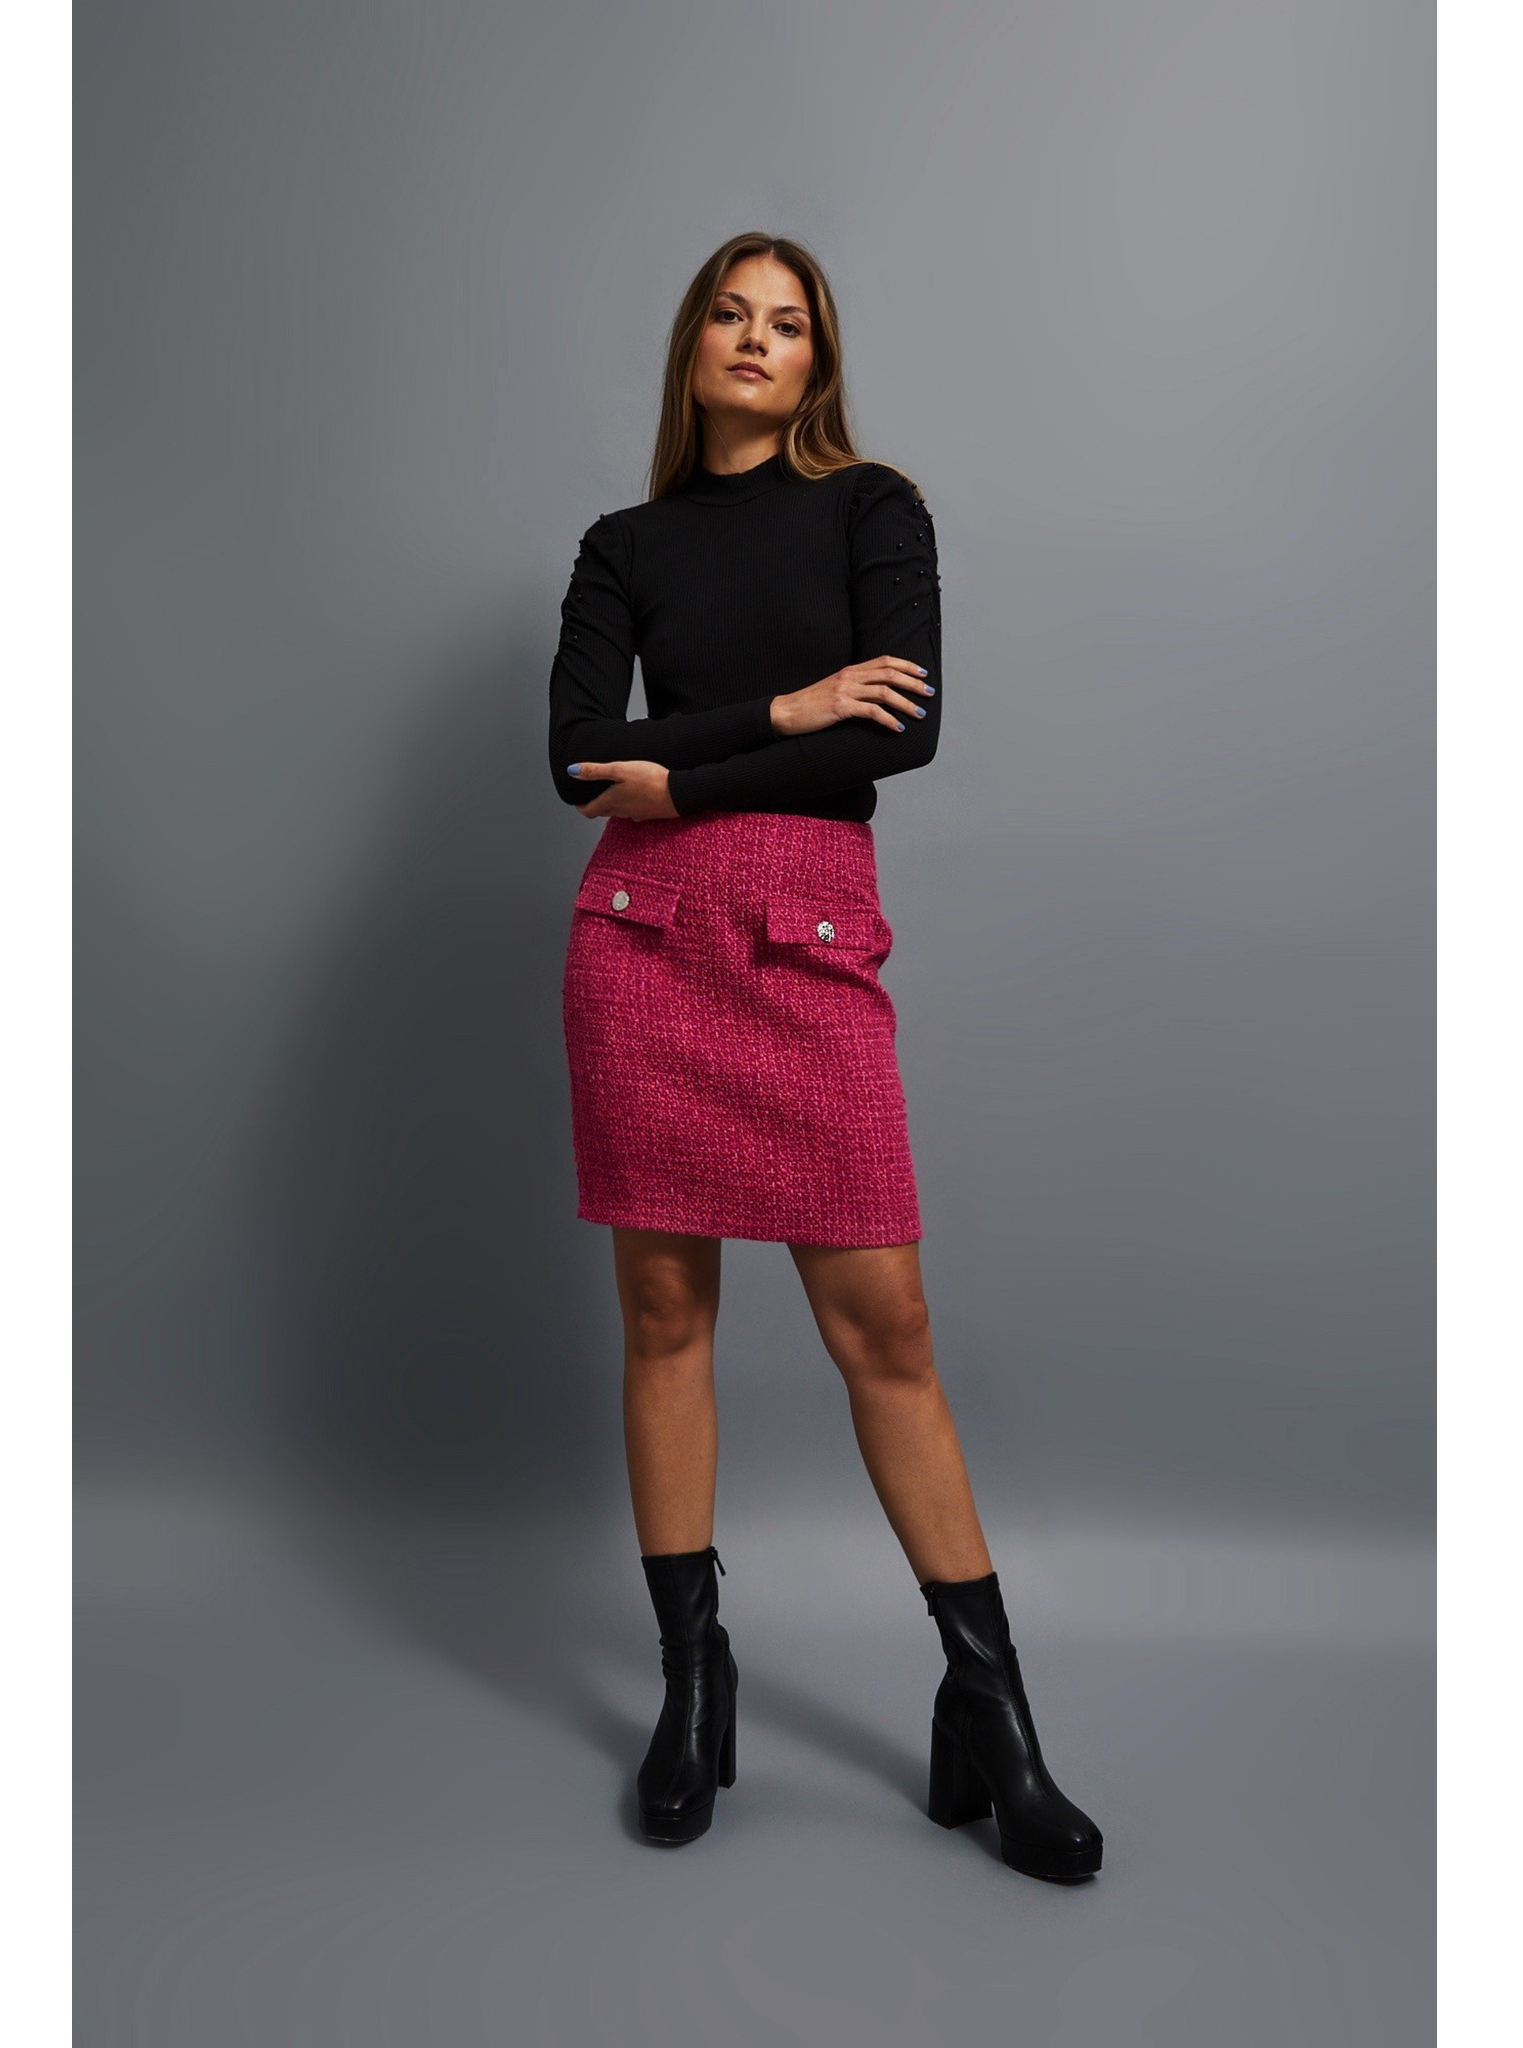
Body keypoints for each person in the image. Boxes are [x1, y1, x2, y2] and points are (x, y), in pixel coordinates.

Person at [546, 232, 1103, 1882]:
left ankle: (990, 1711)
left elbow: (903, 729)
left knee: (889, 1330)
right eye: (730, 313)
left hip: (805, 936)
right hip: (644, 939)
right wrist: (782, 717)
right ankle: (691, 1683)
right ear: (693, 344)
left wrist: (691, 774)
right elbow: (577, 759)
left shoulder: (873, 509)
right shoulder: (624, 543)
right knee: (665, 1317)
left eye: (787, 324)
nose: (755, 339)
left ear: (817, 362)